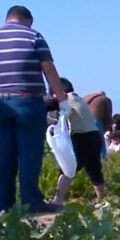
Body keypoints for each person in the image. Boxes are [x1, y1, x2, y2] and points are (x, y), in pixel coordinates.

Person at [0, 5, 67, 216]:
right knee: (30, 154)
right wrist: (61, 97)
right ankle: (31, 202)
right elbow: (49, 69)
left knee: (4, 154)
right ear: (27, 20)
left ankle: (3, 205)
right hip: (28, 101)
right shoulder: (33, 36)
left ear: (8, 18)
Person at [48, 78, 105, 206]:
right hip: (95, 135)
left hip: (82, 136)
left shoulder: (64, 99)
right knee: (94, 168)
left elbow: (45, 106)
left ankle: (58, 200)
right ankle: (101, 199)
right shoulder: (78, 99)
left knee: (68, 168)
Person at [84, 91, 113, 159]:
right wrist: (105, 129)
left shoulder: (85, 98)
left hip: (83, 122)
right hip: (96, 122)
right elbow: (108, 118)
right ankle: (102, 162)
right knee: (100, 146)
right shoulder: (105, 99)